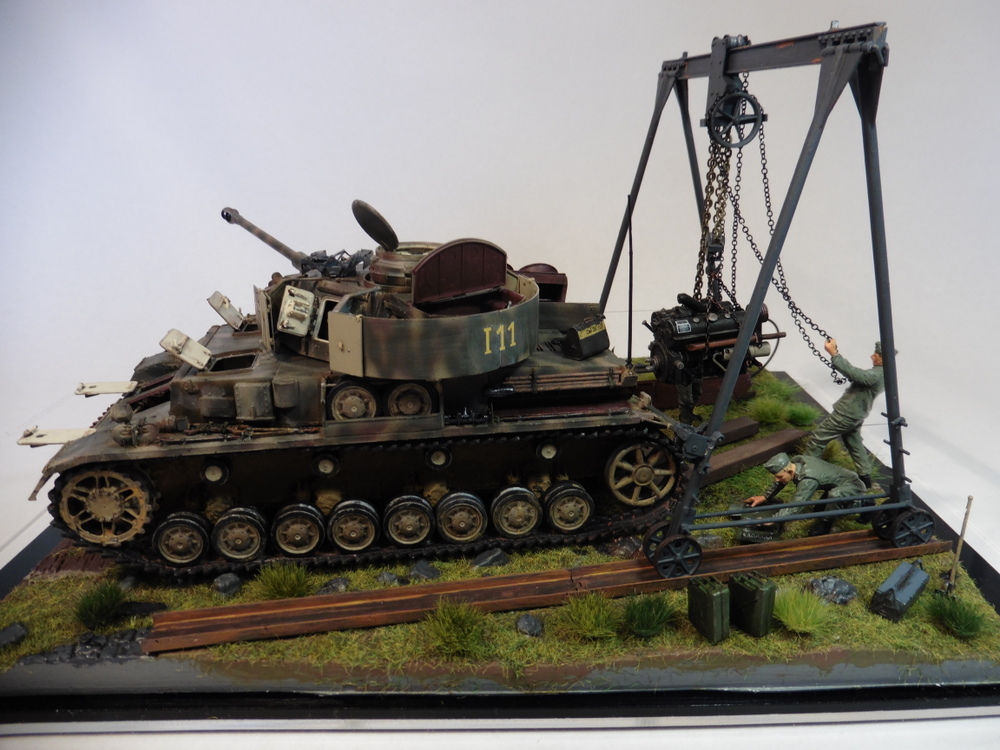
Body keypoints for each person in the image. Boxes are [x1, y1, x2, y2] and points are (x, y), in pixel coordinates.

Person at [802, 339, 886, 489]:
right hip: (856, 414)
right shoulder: (883, 374)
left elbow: (855, 373)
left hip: (846, 413)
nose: (872, 356)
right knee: (854, 443)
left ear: (883, 359)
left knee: (818, 438)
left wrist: (834, 354)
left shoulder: (876, 374)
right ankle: (865, 476)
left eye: (876, 355)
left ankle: (806, 471)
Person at [747, 452, 867, 536]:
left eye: (779, 477)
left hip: (851, 485)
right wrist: (765, 496)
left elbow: (796, 505)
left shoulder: (808, 480)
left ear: (790, 471)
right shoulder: (796, 462)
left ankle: (860, 504)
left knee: (835, 496)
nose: (777, 480)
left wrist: (773, 519)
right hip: (836, 482)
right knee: (819, 509)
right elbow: (782, 481)